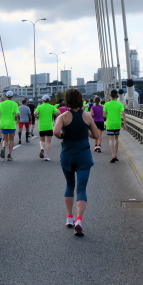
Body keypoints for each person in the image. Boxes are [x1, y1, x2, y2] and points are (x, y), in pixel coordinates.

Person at [53, 88, 101, 236]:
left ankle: (69, 217)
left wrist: (64, 135)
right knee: (81, 188)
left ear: (67, 100)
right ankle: (79, 219)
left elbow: (56, 132)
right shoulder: (87, 116)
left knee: (69, 185)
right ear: (80, 100)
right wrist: (85, 131)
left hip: (68, 154)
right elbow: (96, 135)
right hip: (83, 155)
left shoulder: (63, 116)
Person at [0, 91, 19, 161]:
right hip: (11, 124)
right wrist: (18, 119)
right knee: (11, 140)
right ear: (12, 96)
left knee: (5, 139)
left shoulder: (1, 104)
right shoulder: (15, 104)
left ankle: (3, 147)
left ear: (6, 96)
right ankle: (9, 155)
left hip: (3, 124)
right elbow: (18, 114)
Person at [34, 95, 59, 161]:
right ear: (49, 100)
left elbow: (35, 113)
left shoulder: (39, 107)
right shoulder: (52, 107)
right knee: (49, 142)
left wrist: (38, 116)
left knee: (42, 140)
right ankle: (46, 155)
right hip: (49, 126)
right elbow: (58, 112)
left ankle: (42, 148)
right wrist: (53, 114)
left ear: (43, 100)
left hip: (42, 126)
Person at [103, 89, 125, 163]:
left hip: (110, 123)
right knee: (116, 139)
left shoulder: (106, 104)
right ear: (116, 96)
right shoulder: (120, 104)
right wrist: (125, 124)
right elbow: (123, 114)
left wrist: (108, 116)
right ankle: (116, 154)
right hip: (117, 123)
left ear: (110, 95)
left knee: (111, 140)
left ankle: (113, 155)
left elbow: (104, 115)